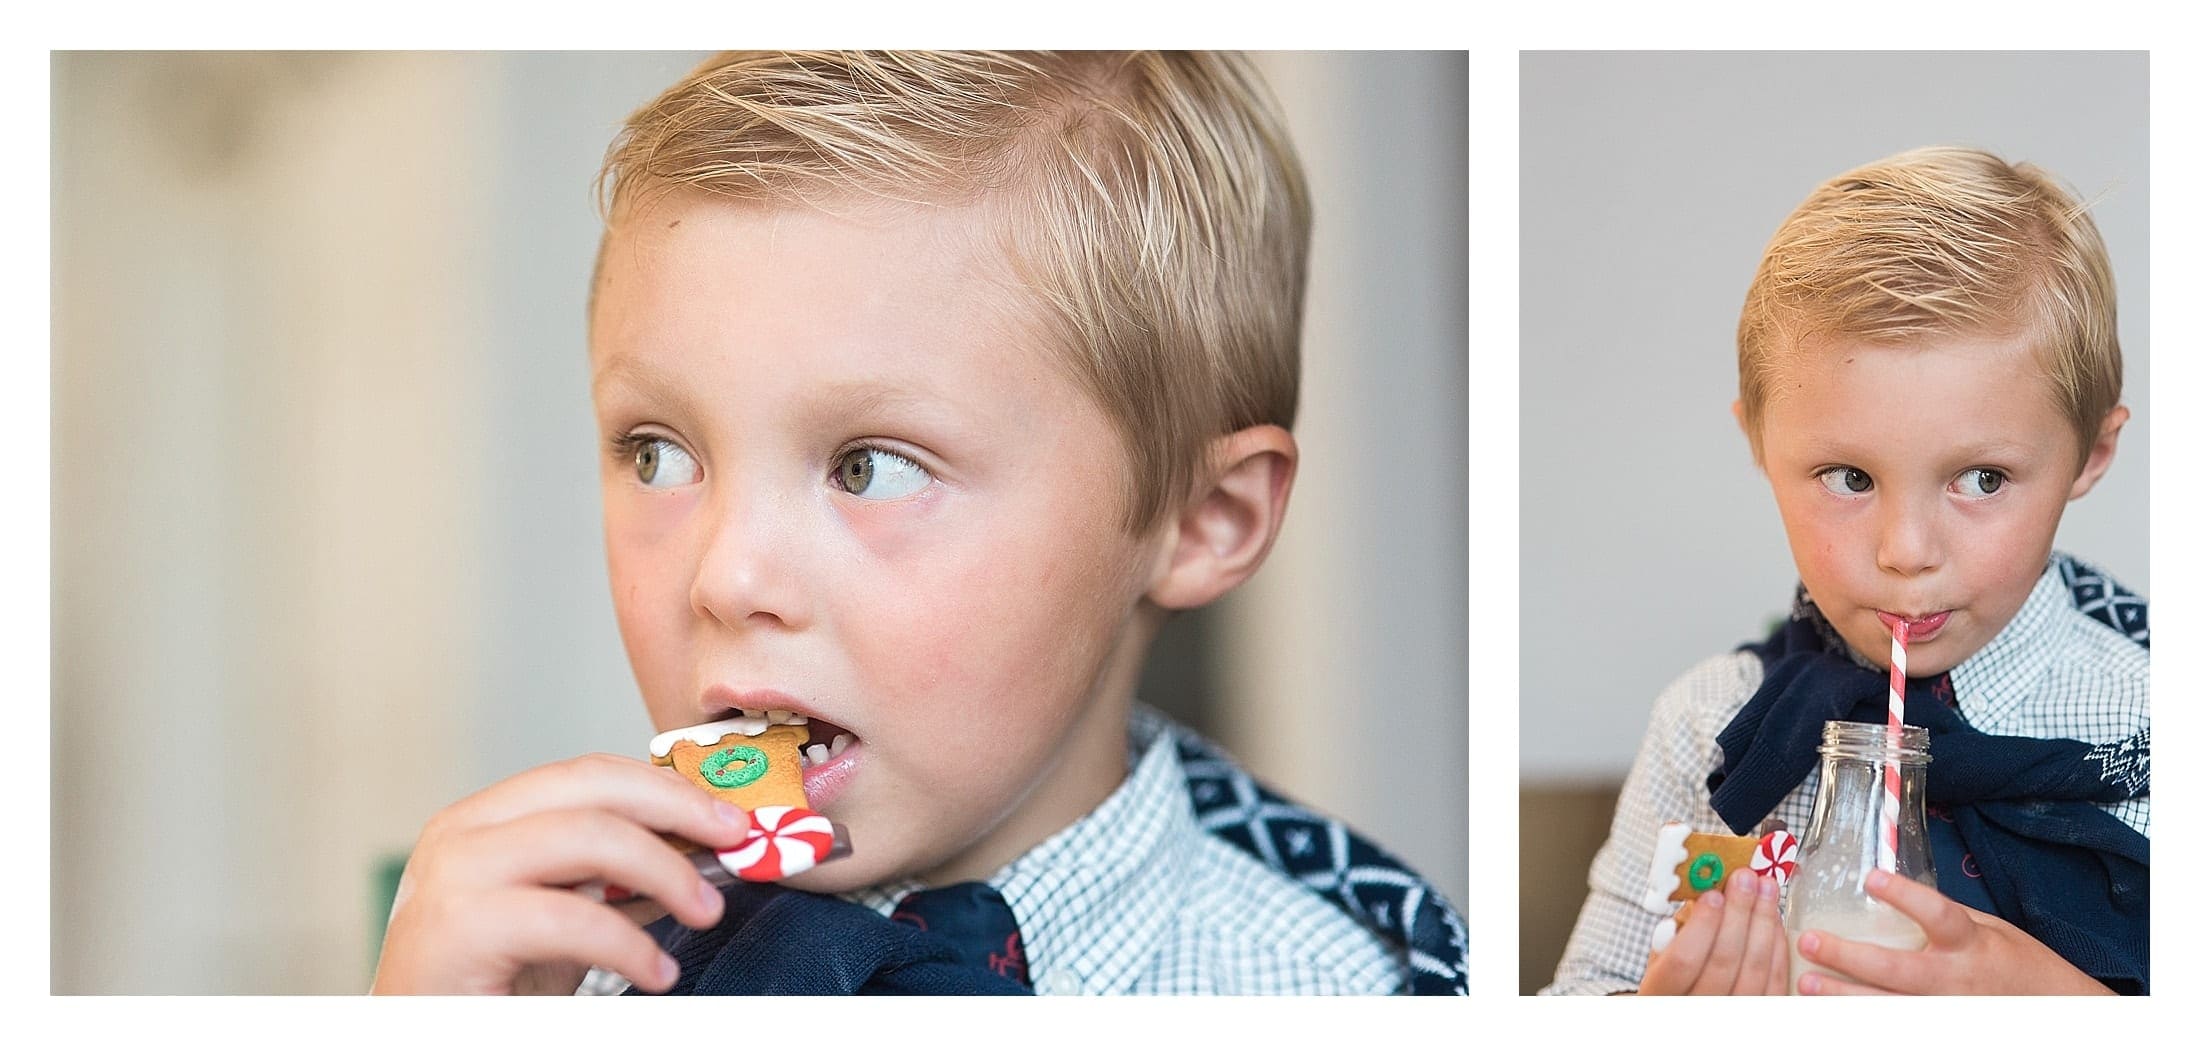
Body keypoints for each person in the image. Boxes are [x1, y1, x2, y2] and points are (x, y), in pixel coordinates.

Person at [369, 50, 1466, 996]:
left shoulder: (1355, 986)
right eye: (658, 453)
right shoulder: (552, 976)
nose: (726, 573)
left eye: (872, 467)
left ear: (1201, 519)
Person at [1544, 146, 2149, 996]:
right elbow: (1583, 991)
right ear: (1759, 442)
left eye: (1982, 480)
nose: (1906, 549)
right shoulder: (1709, 730)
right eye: (1850, 478)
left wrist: (2052, 1000)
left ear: (2092, 454)